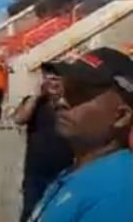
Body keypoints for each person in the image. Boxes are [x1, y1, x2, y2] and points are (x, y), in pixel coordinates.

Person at [28, 47, 133, 221]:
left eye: (78, 94)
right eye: (64, 90)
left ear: (121, 116)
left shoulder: (117, 193)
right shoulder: (82, 169)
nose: (61, 101)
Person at [13, 65, 73, 221]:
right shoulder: (34, 102)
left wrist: (64, 103)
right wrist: (35, 96)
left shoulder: (73, 103)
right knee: (30, 211)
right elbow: (19, 119)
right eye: (48, 78)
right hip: (36, 171)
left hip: (65, 171)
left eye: (56, 79)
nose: (51, 83)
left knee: (57, 213)